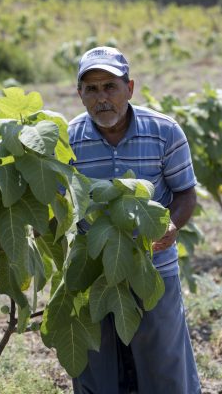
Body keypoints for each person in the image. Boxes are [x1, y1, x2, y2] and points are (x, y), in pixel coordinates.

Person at [68, 46, 201, 394]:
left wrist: (171, 225)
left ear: (130, 87)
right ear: (80, 94)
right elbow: (59, 207)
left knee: (164, 370)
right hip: (93, 271)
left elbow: (186, 194)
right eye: (91, 89)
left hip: (151, 266)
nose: (102, 98)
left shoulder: (165, 131)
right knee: (97, 372)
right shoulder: (66, 141)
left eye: (110, 86)